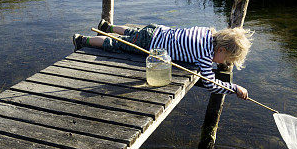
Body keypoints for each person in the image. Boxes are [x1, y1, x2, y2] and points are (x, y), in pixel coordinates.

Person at [73, 20, 251, 99]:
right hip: (151, 44)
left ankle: (107, 26)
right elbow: (211, 85)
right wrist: (234, 89)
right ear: (220, 49)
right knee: (117, 44)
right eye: (226, 60)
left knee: (132, 32)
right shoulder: (205, 56)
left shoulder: (206, 32)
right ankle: (83, 40)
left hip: (158, 30)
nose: (222, 64)